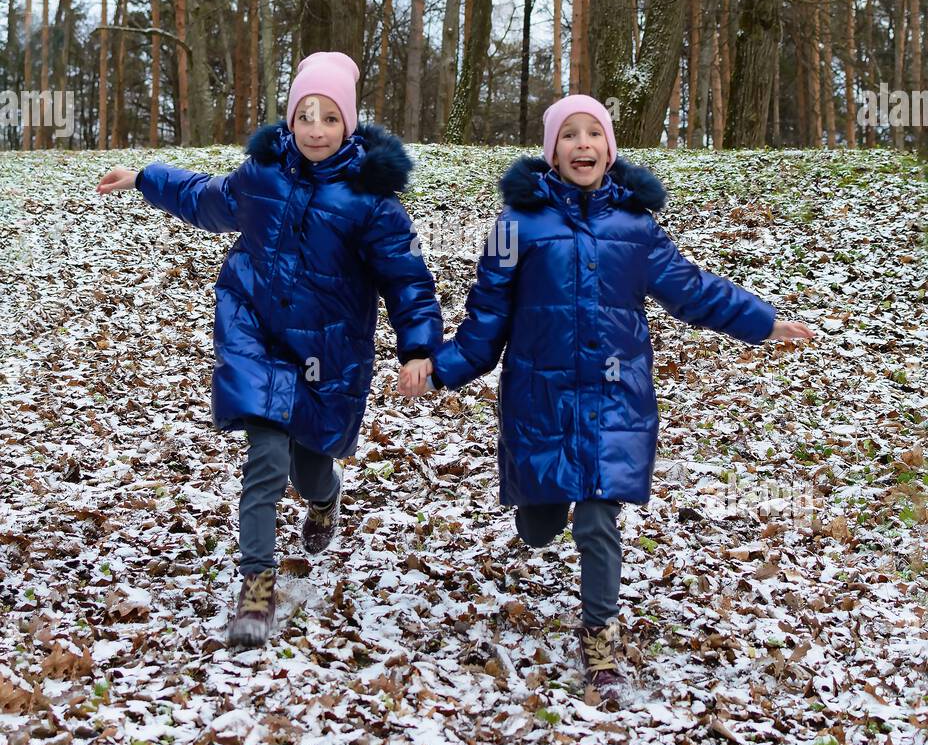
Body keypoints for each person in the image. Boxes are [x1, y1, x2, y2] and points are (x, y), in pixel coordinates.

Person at [398, 94, 813, 706]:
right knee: (539, 526)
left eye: (595, 134)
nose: (583, 145)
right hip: (539, 401)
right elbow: (485, 325)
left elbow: (694, 291)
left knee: (597, 517)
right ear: (552, 151)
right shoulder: (515, 227)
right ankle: (541, 511)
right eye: (570, 135)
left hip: (616, 400)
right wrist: (438, 369)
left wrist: (763, 322)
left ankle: (600, 635)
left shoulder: (636, 228)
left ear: (610, 148)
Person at [98, 51, 441, 650]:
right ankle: (257, 585)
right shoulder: (262, 175)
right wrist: (146, 178)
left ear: (348, 124)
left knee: (309, 466)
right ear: (288, 119)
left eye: (328, 117)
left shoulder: (372, 202)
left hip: (328, 353)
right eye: (303, 114)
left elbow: (406, 279)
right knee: (265, 458)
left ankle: (326, 497)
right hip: (255, 332)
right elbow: (207, 198)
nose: (314, 129)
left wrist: (418, 348)